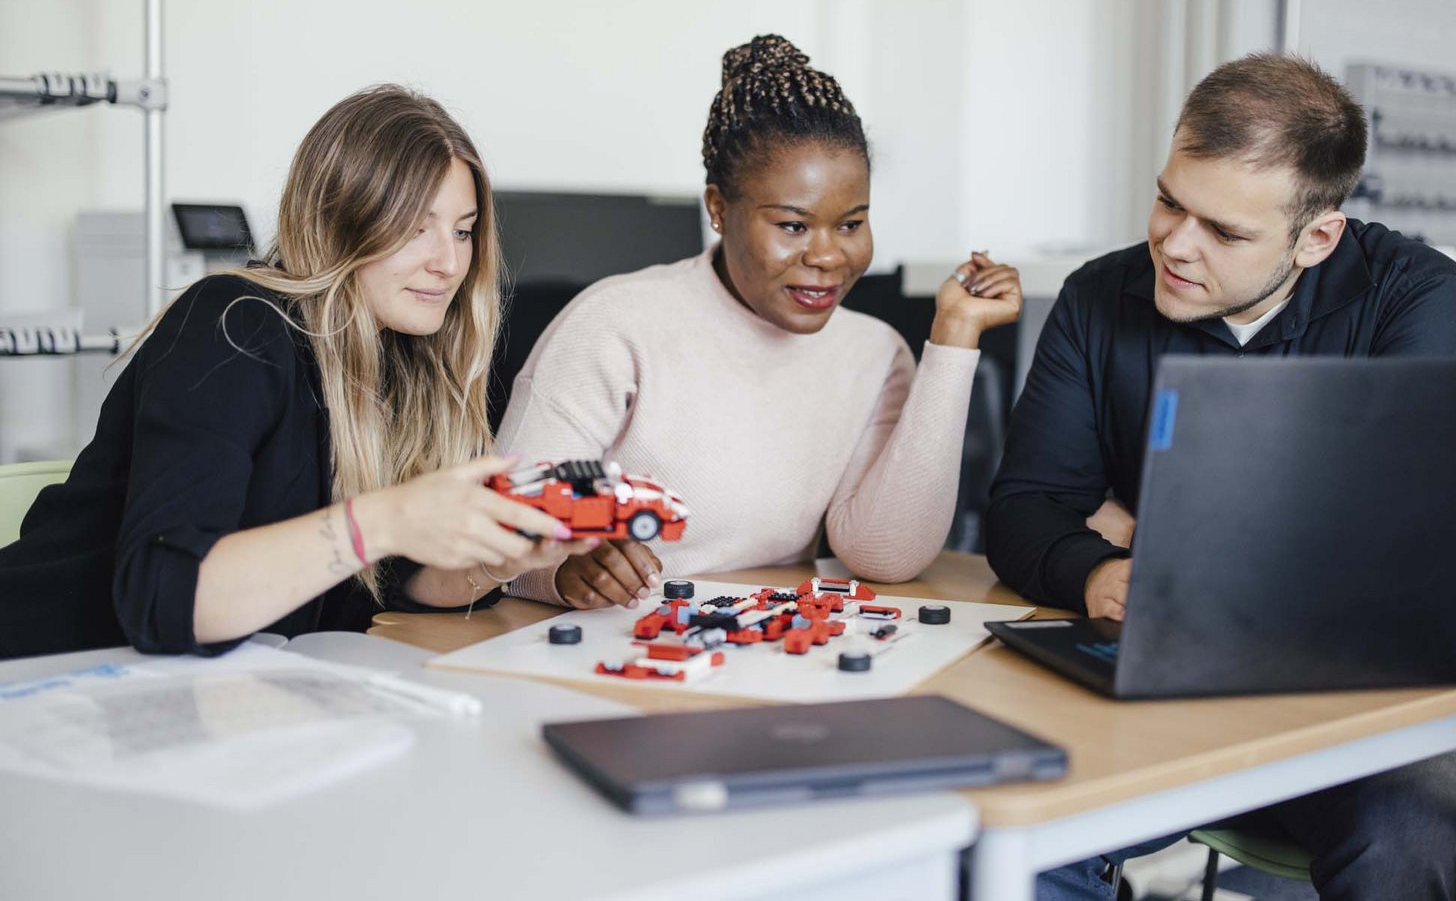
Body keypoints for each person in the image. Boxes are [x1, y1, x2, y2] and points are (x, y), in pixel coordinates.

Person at [986, 53, 1456, 899]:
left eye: (1225, 231)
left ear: (1316, 236)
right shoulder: (1097, 297)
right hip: (1157, 675)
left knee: (1412, 839)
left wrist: (1143, 522)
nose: (1174, 245)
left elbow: (1390, 545)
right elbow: (1023, 511)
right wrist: (1098, 568)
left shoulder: (1417, 297)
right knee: (1023, 826)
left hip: (1360, 693)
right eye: (1170, 200)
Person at [0, 85, 596, 660]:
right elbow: (166, 599)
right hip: (43, 673)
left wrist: (497, 557)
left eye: (462, 231)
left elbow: (388, 582)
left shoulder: (398, 361)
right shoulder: (234, 323)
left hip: (196, 694)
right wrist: (386, 519)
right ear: (341, 220)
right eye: (416, 227)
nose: (448, 262)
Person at [495, 34, 1021, 610]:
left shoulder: (873, 352)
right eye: (793, 226)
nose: (828, 256)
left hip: (757, 648)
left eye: (850, 225)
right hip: (601, 649)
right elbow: (497, 538)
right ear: (718, 209)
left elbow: (884, 555)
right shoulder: (613, 324)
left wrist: (954, 338)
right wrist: (566, 570)